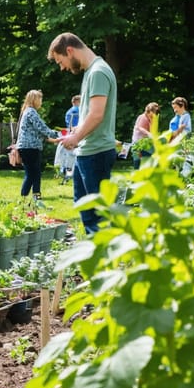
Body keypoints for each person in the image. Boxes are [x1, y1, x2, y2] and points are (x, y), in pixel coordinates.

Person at [48, 32, 117, 236]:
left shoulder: (98, 72)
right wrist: (74, 133)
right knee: (85, 208)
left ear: (70, 51)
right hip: (87, 152)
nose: (63, 68)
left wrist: (76, 138)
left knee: (97, 215)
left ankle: (104, 262)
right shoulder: (91, 72)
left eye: (61, 61)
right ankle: (95, 257)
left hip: (96, 152)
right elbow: (89, 114)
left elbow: (97, 115)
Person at [15, 90, 59, 206]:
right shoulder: (31, 112)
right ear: (34, 99)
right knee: (33, 174)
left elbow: (37, 132)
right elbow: (41, 128)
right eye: (40, 99)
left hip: (28, 147)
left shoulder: (26, 111)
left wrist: (53, 139)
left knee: (33, 173)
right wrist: (57, 134)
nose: (41, 102)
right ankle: (29, 198)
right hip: (30, 148)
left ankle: (32, 198)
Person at [131, 102, 160, 169]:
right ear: (148, 111)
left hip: (146, 145)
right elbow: (140, 128)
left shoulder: (152, 119)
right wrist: (148, 133)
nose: (153, 116)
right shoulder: (143, 117)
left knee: (148, 163)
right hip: (138, 144)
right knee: (139, 164)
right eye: (152, 114)